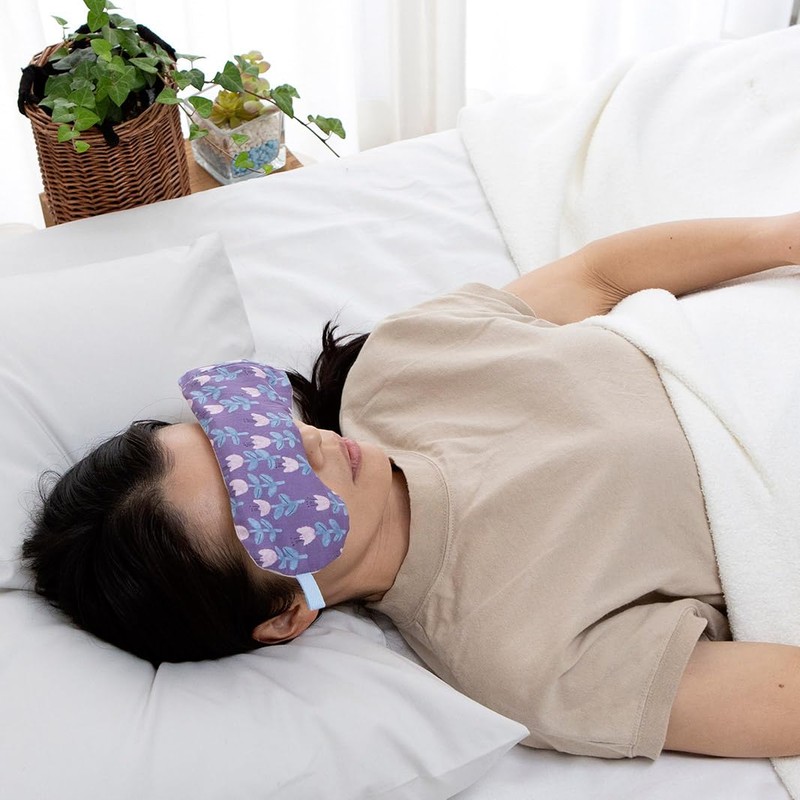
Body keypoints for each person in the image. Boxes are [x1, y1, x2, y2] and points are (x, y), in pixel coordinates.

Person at [21, 211, 800, 761]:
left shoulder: (399, 363)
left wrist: (785, 235)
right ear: (287, 614)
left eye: (252, 432)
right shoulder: (528, 661)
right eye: (271, 493)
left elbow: (602, 276)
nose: (305, 445)